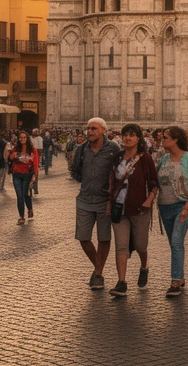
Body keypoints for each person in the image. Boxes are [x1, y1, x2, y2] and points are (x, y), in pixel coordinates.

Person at [70, 117, 122, 290]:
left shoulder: (113, 148)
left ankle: (98, 274)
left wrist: (111, 194)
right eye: (88, 128)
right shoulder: (81, 149)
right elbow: (75, 170)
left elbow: (119, 172)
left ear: (103, 131)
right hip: (84, 199)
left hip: (105, 200)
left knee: (103, 237)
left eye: (93, 128)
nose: (89, 131)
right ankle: (98, 268)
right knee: (83, 237)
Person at [108, 123, 158, 297]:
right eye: (125, 135)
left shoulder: (145, 158)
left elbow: (153, 182)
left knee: (140, 245)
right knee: (121, 246)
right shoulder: (117, 157)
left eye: (131, 135)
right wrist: (109, 203)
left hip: (139, 208)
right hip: (119, 209)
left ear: (138, 138)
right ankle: (121, 282)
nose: (127, 138)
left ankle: (144, 266)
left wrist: (148, 201)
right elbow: (112, 183)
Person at [156, 125, 188, 297]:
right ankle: (180, 277)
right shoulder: (164, 159)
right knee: (174, 244)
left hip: (182, 206)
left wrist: (187, 208)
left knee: (176, 242)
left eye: (166, 137)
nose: (163, 140)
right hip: (165, 207)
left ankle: (175, 281)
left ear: (175, 139)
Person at [8, 131, 39, 225]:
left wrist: (35, 175)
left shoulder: (32, 150)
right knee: (19, 195)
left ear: (27, 138)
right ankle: (21, 216)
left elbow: (36, 163)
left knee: (25, 194)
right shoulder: (15, 148)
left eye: (24, 137)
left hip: (27, 174)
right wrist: (11, 156)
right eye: (20, 137)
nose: (22, 139)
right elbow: (10, 158)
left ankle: (29, 208)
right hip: (16, 174)